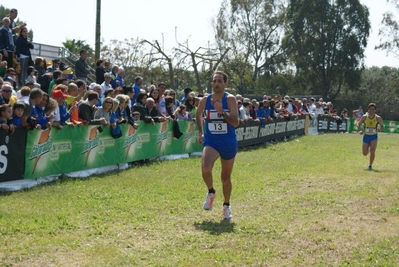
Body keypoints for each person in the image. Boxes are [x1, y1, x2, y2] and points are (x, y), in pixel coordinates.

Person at [195, 71, 239, 220]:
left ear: (225, 84)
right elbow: (198, 114)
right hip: (211, 141)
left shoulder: (231, 99)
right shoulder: (205, 100)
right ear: (211, 83)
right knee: (206, 168)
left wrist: (221, 112)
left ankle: (226, 206)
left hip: (228, 142)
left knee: (225, 178)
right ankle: (211, 192)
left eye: (220, 81)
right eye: (214, 81)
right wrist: (201, 132)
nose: (217, 84)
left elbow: (235, 123)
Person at [356, 103, 384, 170]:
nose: (371, 110)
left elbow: (382, 126)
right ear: (368, 109)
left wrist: (380, 129)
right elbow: (358, 124)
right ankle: (368, 148)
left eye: (373, 109)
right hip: (366, 136)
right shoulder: (364, 117)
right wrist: (360, 130)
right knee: (365, 153)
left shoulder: (378, 118)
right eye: (370, 109)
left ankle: (370, 165)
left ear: (375, 110)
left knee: (373, 150)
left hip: (374, 136)